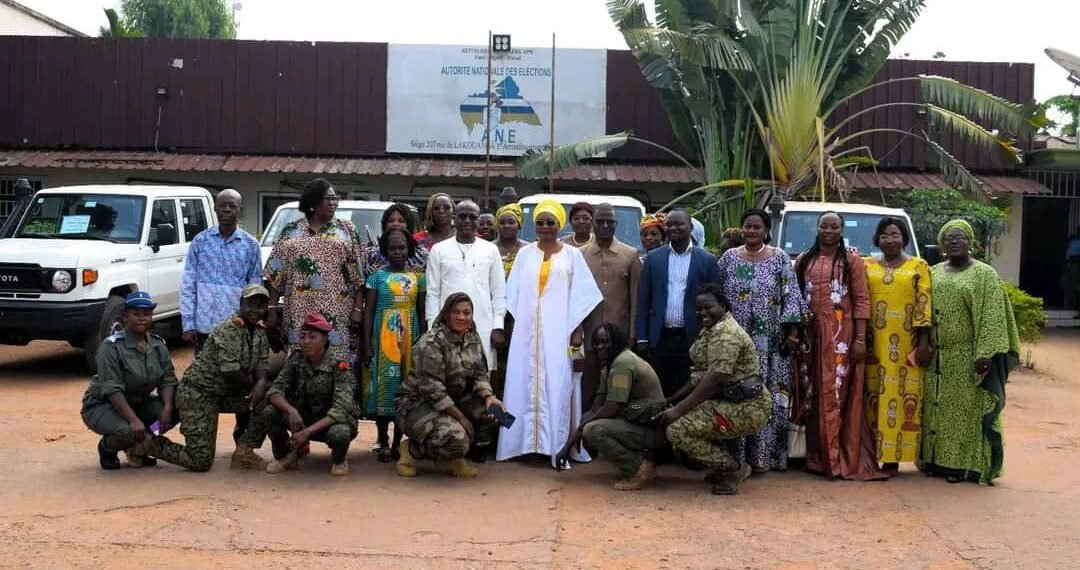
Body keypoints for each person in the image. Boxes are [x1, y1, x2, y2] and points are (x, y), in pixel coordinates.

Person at [497, 199, 603, 467]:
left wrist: (576, 330)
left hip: (560, 333)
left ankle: (555, 446)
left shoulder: (572, 255)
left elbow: (582, 296)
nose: (545, 227)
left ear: (559, 224)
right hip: (526, 335)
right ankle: (522, 445)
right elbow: (513, 295)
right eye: (540, 222)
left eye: (550, 222)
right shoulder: (525, 254)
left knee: (558, 385)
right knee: (521, 384)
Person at [922, 219, 1020, 485]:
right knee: (936, 411)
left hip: (968, 358)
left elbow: (991, 316)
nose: (955, 242)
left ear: (970, 242)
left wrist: (984, 354)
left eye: (960, 238)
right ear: (942, 244)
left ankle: (962, 467)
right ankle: (934, 462)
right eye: (949, 238)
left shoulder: (984, 274)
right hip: (937, 359)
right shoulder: (933, 272)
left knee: (965, 414)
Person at [794, 211, 886, 480]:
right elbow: (795, 299)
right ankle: (816, 457)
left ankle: (835, 459)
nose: (829, 231)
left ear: (842, 230)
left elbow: (861, 300)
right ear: (817, 228)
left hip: (840, 338)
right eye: (824, 226)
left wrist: (860, 339)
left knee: (836, 394)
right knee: (811, 395)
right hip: (809, 338)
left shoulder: (851, 260)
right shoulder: (804, 259)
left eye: (834, 227)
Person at [716, 209, 805, 473]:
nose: (752, 231)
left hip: (771, 345)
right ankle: (736, 459)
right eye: (748, 226)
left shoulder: (780, 258)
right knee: (737, 396)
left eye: (757, 227)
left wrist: (793, 334)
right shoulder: (728, 258)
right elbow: (716, 297)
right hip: (736, 344)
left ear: (766, 231)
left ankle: (765, 459)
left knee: (768, 397)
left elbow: (792, 295)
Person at [148, 285, 273, 472]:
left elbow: (261, 364)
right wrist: (254, 385)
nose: (255, 310)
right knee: (200, 459)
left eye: (260, 305)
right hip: (199, 394)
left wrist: (261, 382)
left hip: (224, 393)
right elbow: (231, 371)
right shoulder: (229, 329)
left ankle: (244, 452)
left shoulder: (259, 331)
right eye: (250, 304)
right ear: (240, 304)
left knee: (268, 397)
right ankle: (146, 442)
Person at [663, 284, 772, 495]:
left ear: (722, 305)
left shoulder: (725, 333)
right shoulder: (711, 328)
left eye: (708, 307)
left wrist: (678, 410)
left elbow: (713, 379)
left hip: (749, 406)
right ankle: (722, 467)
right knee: (690, 417)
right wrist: (672, 399)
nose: (703, 312)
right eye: (699, 309)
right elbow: (700, 375)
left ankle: (734, 469)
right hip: (728, 401)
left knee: (677, 429)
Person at [395, 293, 507, 478]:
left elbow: (479, 373)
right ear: (446, 314)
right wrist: (462, 419)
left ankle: (453, 458)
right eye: (456, 312)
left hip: (453, 399)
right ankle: (411, 450)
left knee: (495, 415)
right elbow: (433, 391)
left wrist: (488, 397)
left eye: (466, 313)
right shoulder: (431, 342)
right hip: (417, 404)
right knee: (458, 438)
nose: (461, 317)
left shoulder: (472, 337)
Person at [556, 323, 667, 491]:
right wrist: (577, 431)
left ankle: (638, 468)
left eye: (605, 341)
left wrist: (576, 435)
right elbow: (597, 406)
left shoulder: (623, 363)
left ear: (616, 341)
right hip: (637, 422)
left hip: (653, 429)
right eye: (596, 343)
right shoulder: (609, 365)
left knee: (593, 430)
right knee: (587, 420)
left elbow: (613, 407)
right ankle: (639, 463)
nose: (600, 347)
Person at [264, 178, 364, 360]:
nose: (333, 203)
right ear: (313, 201)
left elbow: (358, 273)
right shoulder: (291, 230)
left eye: (335, 198)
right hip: (299, 309)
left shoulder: (347, 229)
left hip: (337, 310)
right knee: (300, 358)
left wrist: (358, 309)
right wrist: (271, 308)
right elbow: (275, 273)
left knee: (336, 360)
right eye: (328, 198)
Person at [864, 217, 933, 472]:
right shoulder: (866, 265)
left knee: (901, 398)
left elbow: (924, 304)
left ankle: (892, 457)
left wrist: (924, 343)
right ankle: (869, 455)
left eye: (895, 235)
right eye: (884, 235)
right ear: (877, 239)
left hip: (905, 345)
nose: (890, 240)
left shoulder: (919, 266)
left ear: (904, 238)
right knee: (871, 396)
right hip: (872, 344)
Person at [81, 291, 177, 470]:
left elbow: (167, 380)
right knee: (127, 432)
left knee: (172, 414)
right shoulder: (111, 347)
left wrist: (168, 408)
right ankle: (108, 448)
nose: (142, 318)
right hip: (104, 405)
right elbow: (112, 389)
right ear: (125, 317)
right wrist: (133, 420)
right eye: (136, 313)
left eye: (146, 313)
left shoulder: (158, 345)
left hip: (138, 403)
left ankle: (141, 445)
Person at [636, 209, 720, 396]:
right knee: (658, 391)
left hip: (693, 338)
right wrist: (642, 338)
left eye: (679, 224)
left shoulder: (707, 260)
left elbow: (716, 301)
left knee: (687, 391)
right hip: (660, 338)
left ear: (690, 227)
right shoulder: (653, 259)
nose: (673, 228)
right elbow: (644, 300)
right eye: (669, 224)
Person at [263, 313, 359, 476]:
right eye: (302, 336)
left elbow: (341, 410)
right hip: (303, 419)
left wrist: (307, 433)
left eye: (312, 337)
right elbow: (275, 391)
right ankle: (285, 456)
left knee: (340, 433)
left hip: (329, 423)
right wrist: (291, 411)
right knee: (270, 412)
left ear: (324, 340)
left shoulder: (339, 366)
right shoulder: (296, 360)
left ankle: (339, 459)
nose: (306, 341)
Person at [363, 228, 426, 463]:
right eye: (392, 248)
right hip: (384, 339)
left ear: (409, 249)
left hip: (410, 338)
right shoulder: (376, 278)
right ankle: (382, 439)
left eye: (401, 248)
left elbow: (421, 312)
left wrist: (421, 342)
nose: (397, 252)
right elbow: (369, 312)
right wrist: (367, 345)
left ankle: (398, 442)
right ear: (384, 251)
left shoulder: (419, 278)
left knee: (405, 391)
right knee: (385, 388)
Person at [425, 200, 506, 375]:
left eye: (472, 217)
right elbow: (432, 293)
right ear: (454, 219)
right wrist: (432, 327)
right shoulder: (438, 250)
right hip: (446, 327)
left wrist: (498, 326)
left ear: (478, 220)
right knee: (447, 375)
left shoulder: (490, 250)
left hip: (483, 326)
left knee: (480, 379)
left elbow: (498, 292)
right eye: (462, 217)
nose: (467, 221)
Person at [180, 189, 262, 353]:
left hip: (235, 328)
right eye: (222, 205)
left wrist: (251, 323)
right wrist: (188, 324)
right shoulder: (200, 241)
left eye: (232, 206)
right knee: (203, 369)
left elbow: (254, 289)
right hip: (203, 327)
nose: (227, 210)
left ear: (240, 210)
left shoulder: (251, 245)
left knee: (234, 368)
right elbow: (188, 285)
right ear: (215, 208)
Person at [581, 203, 642, 408]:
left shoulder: (630, 254)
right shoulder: (579, 254)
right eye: (600, 221)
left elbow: (635, 297)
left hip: (619, 336)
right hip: (588, 335)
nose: (605, 225)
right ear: (593, 223)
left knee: (618, 388)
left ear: (616, 223)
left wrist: (632, 334)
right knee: (587, 387)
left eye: (610, 222)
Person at [361, 202, 429, 280]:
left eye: (401, 221)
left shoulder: (422, 255)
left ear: (408, 225)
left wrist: (423, 273)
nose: (396, 224)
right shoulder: (372, 255)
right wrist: (368, 274)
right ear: (385, 225)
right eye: (391, 221)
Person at [495, 202, 530, 279]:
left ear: (519, 225)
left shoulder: (529, 249)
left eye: (511, 222)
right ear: (497, 226)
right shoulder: (489, 248)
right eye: (502, 223)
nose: (506, 226)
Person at [1063, 226, 1080, 314]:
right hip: (1074, 265)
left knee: (1073, 286)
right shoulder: (1074, 242)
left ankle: (1071, 306)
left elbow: (1068, 256)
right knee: (1073, 286)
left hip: (1073, 264)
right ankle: (1071, 306)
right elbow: (1068, 256)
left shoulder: (1073, 242)